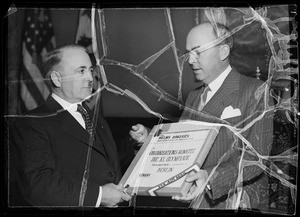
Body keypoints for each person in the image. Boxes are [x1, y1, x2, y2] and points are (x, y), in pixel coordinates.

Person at [130, 22, 274, 211]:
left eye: (197, 52)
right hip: (196, 203)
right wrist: (148, 139)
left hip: (235, 202)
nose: (190, 60)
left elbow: (257, 158)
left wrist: (211, 178)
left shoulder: (255, 91)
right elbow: (183, 146)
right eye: (189, 53)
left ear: (223, 52)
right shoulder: (194, 96)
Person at [10, 44, 131, 207]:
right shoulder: (31, 123)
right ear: (57, 79)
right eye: (81, 71)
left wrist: (139, 144)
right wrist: (99, 195)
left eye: (90, 70)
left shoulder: (96, 118)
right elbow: (37, 185)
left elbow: (110, 169)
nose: (90, 77)